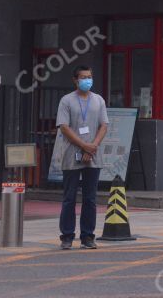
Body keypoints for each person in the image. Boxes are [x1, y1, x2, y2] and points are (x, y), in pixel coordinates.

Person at [56, 66, 108, 250]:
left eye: (90, 76)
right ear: (75, 80)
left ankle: (87, 236)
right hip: (72, 155)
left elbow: (104, 125)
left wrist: (92, 146)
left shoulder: (98, 100)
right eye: (83, 77)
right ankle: (67, 236)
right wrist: (84, 145)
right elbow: (64, 127)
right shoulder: (67, 101)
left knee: (90, 198)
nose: (87, 80)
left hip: (93, 155)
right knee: (69, 197)